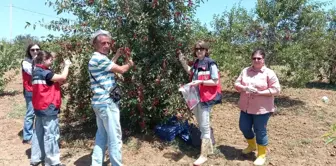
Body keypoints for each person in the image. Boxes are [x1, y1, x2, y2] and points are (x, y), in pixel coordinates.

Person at [88, 30, 134, 166]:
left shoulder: (98, 58)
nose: (107, 45)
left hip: (99, 102)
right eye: (103, 43)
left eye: (109, 43)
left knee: (102, 135)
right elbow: (121, 69)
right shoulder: (99, 58)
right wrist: (130, 63)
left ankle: (96, 163)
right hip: (107, 104)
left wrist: (117, 54)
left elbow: (109, 67)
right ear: (95, 44)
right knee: (115, 137)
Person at [178, 40, 222, 166]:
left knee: (204, 126)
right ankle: (209, 149)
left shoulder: (211, 63)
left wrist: (200, 82)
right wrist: (182, 60)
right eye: (197, 49)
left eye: (201, 49)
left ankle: (203, 156)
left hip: (206, 98)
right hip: (196, 97)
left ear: (206, 51)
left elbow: (215, 81)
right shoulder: (197, 63)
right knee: (201, 123)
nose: (199, 51)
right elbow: (190, 71)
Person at [234, 48, 281, 166]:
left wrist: (260, 93)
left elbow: (276, 89)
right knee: (244, 127)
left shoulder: (269, 73)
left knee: (260, 131)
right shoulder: (245, 71)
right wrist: (245, 88)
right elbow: (236, 84)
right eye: (254, 58)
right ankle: (251, 145)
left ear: (263, 60)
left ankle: (261, 154)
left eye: (259, 58)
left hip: (262, 109)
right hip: (245, 107)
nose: (256, 60)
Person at [30, 51, 72, 166]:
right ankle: (53, 162)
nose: (52, 61)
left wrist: (58, 82)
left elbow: (47, 85)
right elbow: (63, 76)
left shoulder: (35, 72)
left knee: (38, 133)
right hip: (48, 107)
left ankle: (36, 158)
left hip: (38, 107)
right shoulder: (46, 73)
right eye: (50, 59)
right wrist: (67, 65)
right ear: (44, 60)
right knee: (51, 134)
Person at [22, 43, 40, 144]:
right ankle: (27, 137)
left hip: (39, 90)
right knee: (30, 113)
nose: (35, 52)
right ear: (29, 51)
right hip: (30, 90)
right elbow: (32, 72)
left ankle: (37, 133)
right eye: (32, 50)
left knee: (39, 112)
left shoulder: (41, 61)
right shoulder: (26, 62)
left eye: (37, 49)